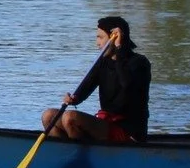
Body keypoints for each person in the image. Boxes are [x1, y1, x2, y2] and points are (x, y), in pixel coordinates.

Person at [41, 15, 151, 143]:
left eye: (100, 37)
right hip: (105, 125)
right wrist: (73, 99)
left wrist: (119, 51)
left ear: (114, 37)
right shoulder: (103, 63)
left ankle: (81, 156)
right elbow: (85, 88)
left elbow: (127, 85)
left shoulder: (139, 63)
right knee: (48, 116)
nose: (97, 43)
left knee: (70, 118)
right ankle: (65, 155)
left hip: (129, 132)